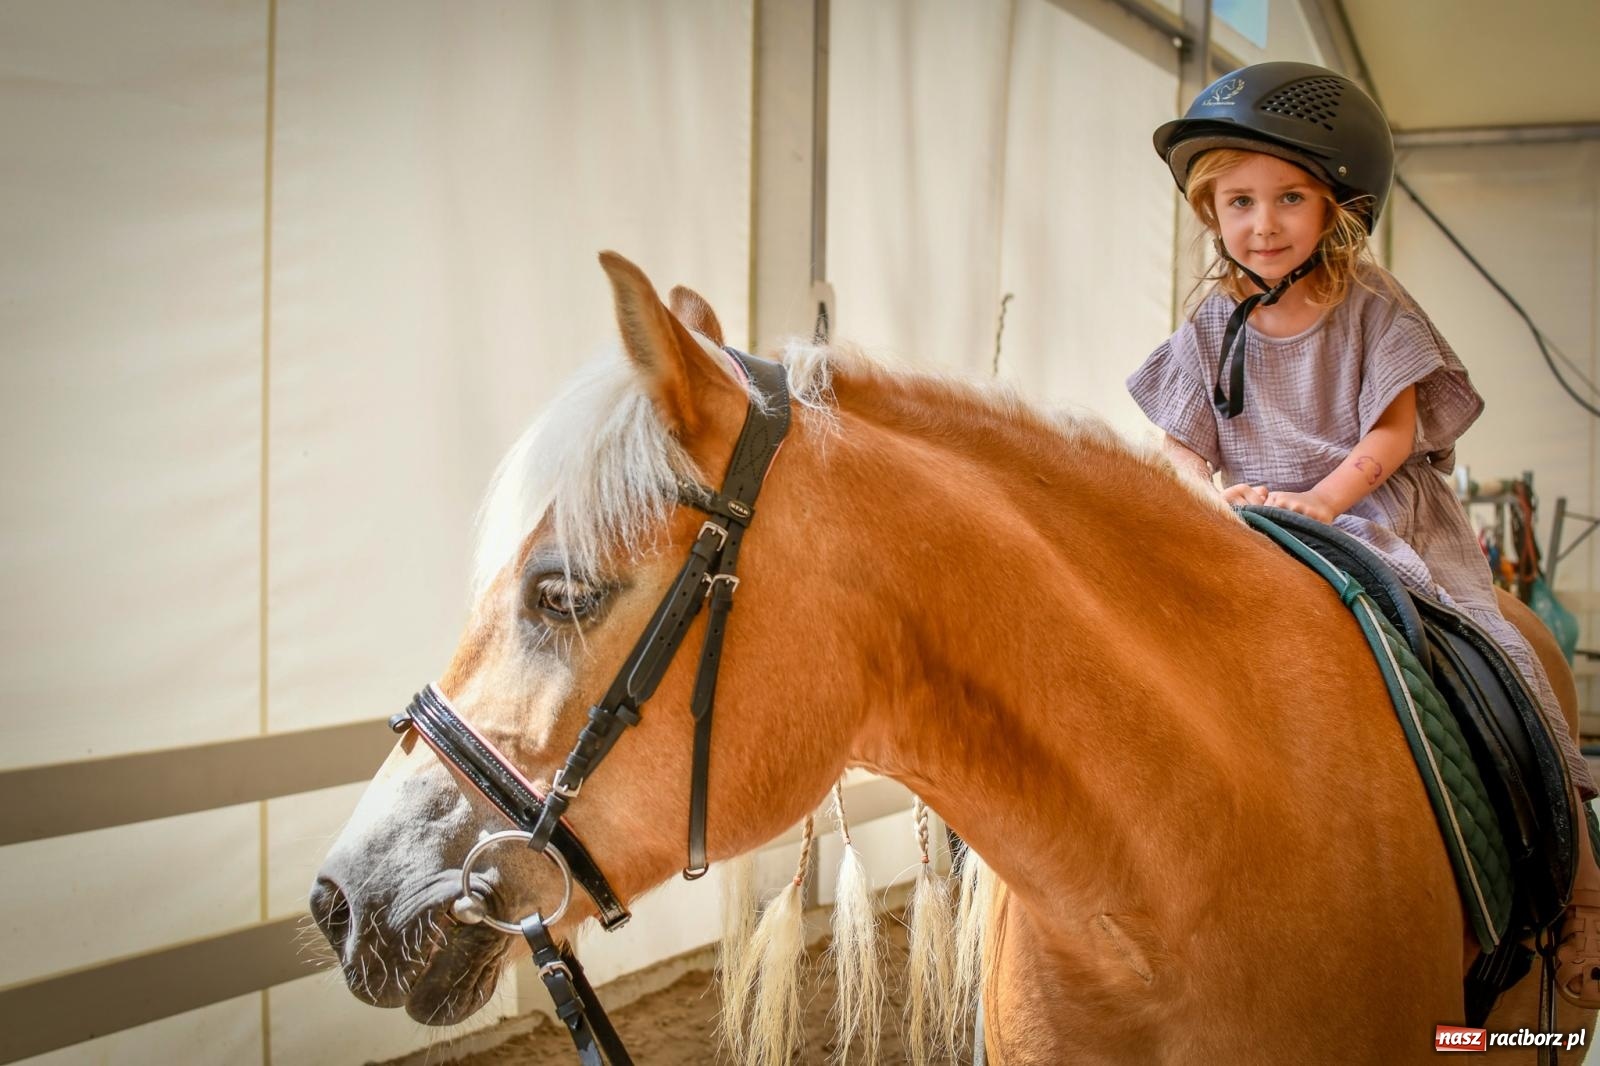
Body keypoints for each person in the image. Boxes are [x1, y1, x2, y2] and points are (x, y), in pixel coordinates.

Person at [1127, 60, 1600, 1007]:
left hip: (1379, 517)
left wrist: (1325, 503)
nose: (1261, 223)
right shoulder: (1212, 320)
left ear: (1340, 204)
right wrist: (1213, 494)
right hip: (1253, 523)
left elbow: (1391, 434)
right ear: (1211, 212)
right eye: (1238, 201)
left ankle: (1582, 886)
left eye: (1289, 198)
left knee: (1504, 648)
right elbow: (1174, 443)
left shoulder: (1373, 306)